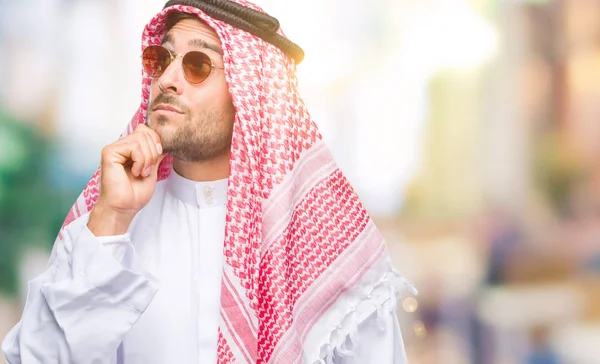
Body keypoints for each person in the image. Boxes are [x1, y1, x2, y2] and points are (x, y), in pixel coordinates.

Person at [2, 0, 416, 363]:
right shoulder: (106, 226)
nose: (167, 79)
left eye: (198, 65)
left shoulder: (328, 247)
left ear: (251, 91)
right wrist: (110, 218)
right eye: (160, 60)